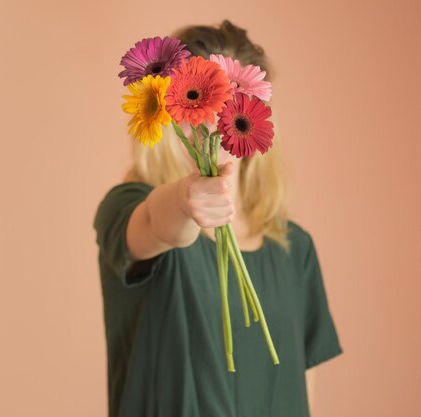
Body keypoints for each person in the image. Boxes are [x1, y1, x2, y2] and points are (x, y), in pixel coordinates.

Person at [93, 19, 344, 417]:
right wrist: (184, 200)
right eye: (204, 102)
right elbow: (156, 227)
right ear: (177, 105)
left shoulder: (295, 248)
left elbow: (303, 390)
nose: (218, 121)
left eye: (238, 102)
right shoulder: (129, 207)